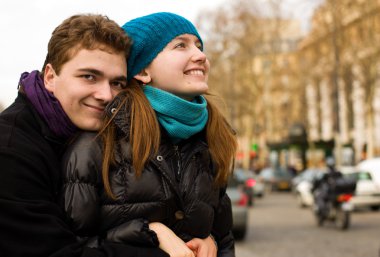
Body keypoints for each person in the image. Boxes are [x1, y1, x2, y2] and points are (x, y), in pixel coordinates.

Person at [61, 12, 238, 257]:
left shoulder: (213, 137)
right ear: (143, 70)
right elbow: (74, 247)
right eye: (180, 45)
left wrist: (213, 243)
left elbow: (226, 237)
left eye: (198, 46)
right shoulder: (97, 144)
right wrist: (148, 232)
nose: (200, 55)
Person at [0, 13, 169, 257]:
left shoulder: (89, 137)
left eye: (117, 83)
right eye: (89, 76)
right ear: (50, 77)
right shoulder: (11, 150)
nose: (106, 95)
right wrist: (157, 245)